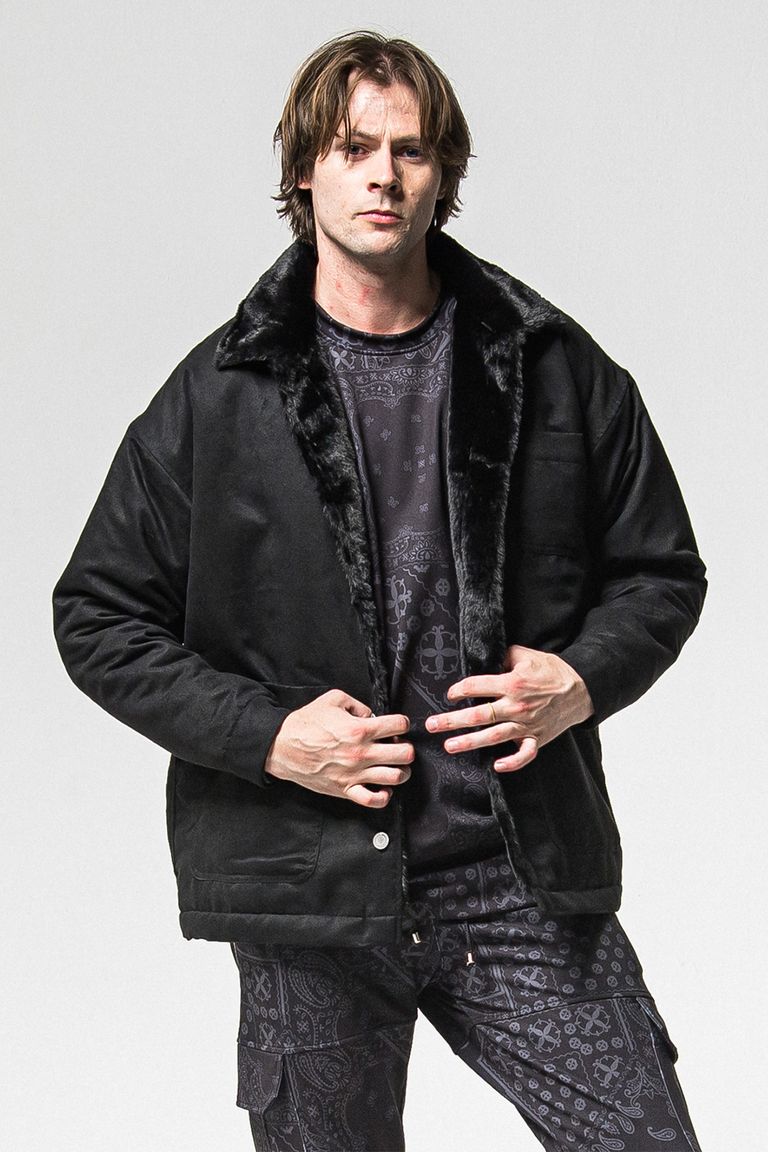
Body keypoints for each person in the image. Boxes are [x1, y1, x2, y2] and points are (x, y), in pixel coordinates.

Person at [53, 30, 707, 1152]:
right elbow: (98, 616)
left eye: (410, 150)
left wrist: (581, 680)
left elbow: (661, 570)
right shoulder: (218, 394)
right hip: (313, 889)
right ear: (304, 170)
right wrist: (270, 737)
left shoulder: (550, 365)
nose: (384, 176)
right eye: (354, 148)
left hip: (515, 873)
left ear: (444, 172)